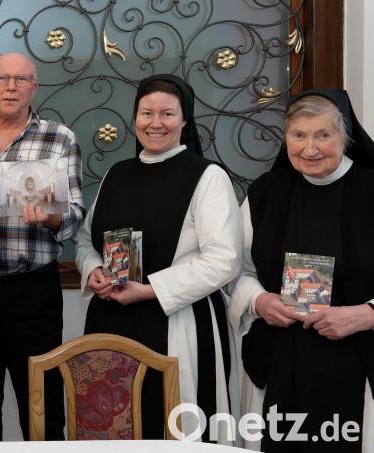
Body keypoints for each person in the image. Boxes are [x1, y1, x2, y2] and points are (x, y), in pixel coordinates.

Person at [75, 74, 241, 442]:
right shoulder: (117, 174)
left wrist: (149, 290)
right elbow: (87, 239)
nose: (155, 123)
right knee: (113, 424)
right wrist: (93, 270)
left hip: (179, 321)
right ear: (134, 118)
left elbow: (224, 260)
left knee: (177, 429)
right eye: (146, 113)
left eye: (167, 114)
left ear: (185, 120)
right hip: (112, 318)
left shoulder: (208, 177)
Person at [0, 52, 85, 440]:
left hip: (32, 290)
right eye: (2, 78)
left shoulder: (59, 138)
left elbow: (74, 215)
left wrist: (50, 215)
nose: (11, 87)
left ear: (34, 88)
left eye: (21, 79)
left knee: (41, 398)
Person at [229, 89, 374, 452]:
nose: (310, 148)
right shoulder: (266, 193)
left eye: (323, 135)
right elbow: (236, 269)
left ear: (346, 136)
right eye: (298, 135)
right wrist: (258, 300)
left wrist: (365, 315)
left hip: (358, 357)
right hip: (281, 356)